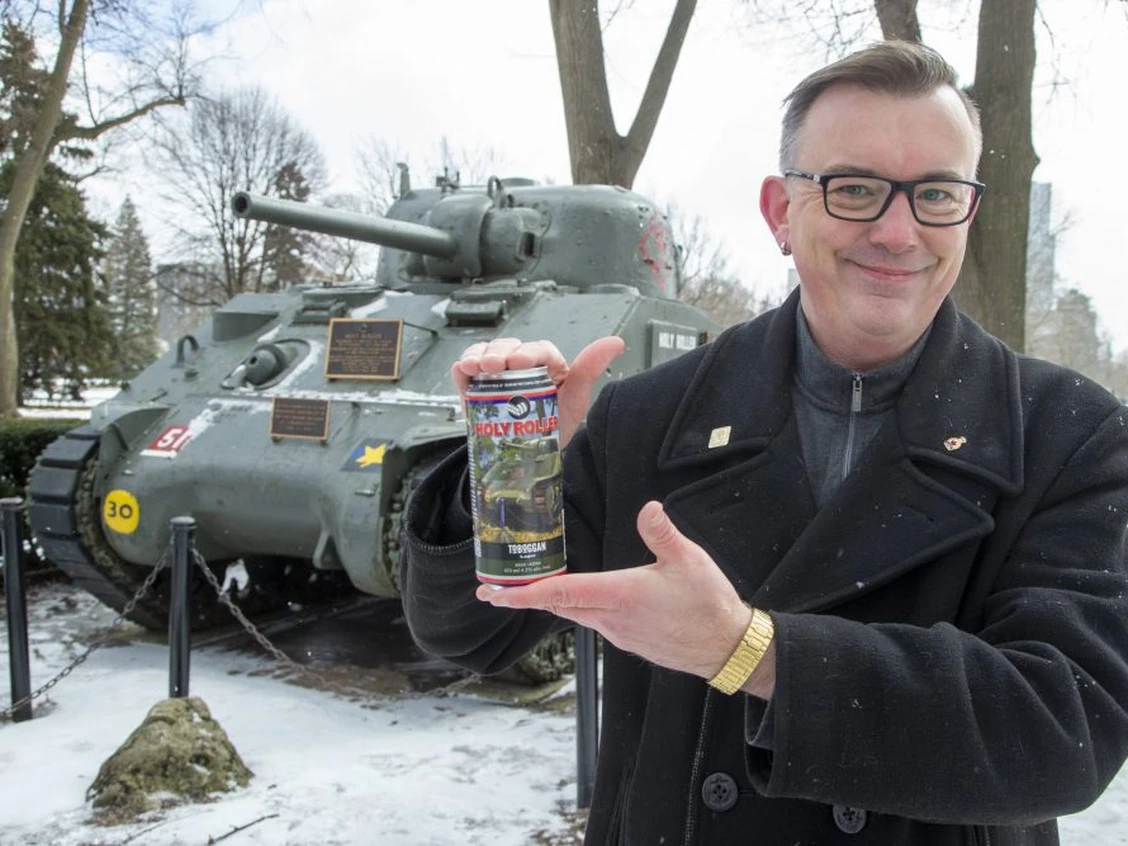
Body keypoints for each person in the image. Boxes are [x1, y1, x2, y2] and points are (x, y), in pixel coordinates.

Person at [400, 40, 1128, 845]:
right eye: (854, 189)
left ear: (969, 212)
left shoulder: (1068, 434)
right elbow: (472, 634)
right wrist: (513, 472)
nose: (897, 231)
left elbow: (1066, 734)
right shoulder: (646, 416)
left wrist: (747, 651)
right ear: (782, 211)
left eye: (935, 193)